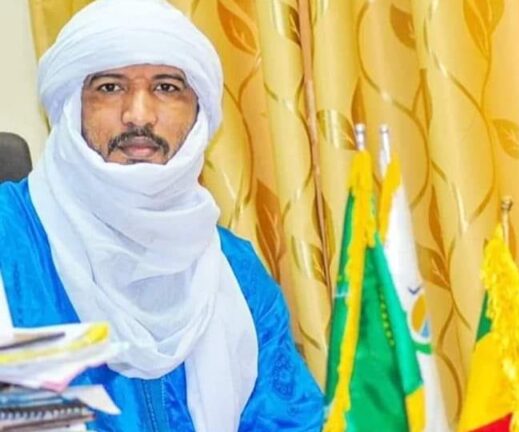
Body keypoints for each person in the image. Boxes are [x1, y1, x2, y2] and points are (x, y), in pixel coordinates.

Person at [0, 0, 323, 430]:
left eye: (167, 88)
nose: (139, 114)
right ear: (71, 107)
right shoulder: (11, 242)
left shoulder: (234, 269)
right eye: (109, 87)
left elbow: (290, 419)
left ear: (197, 114)